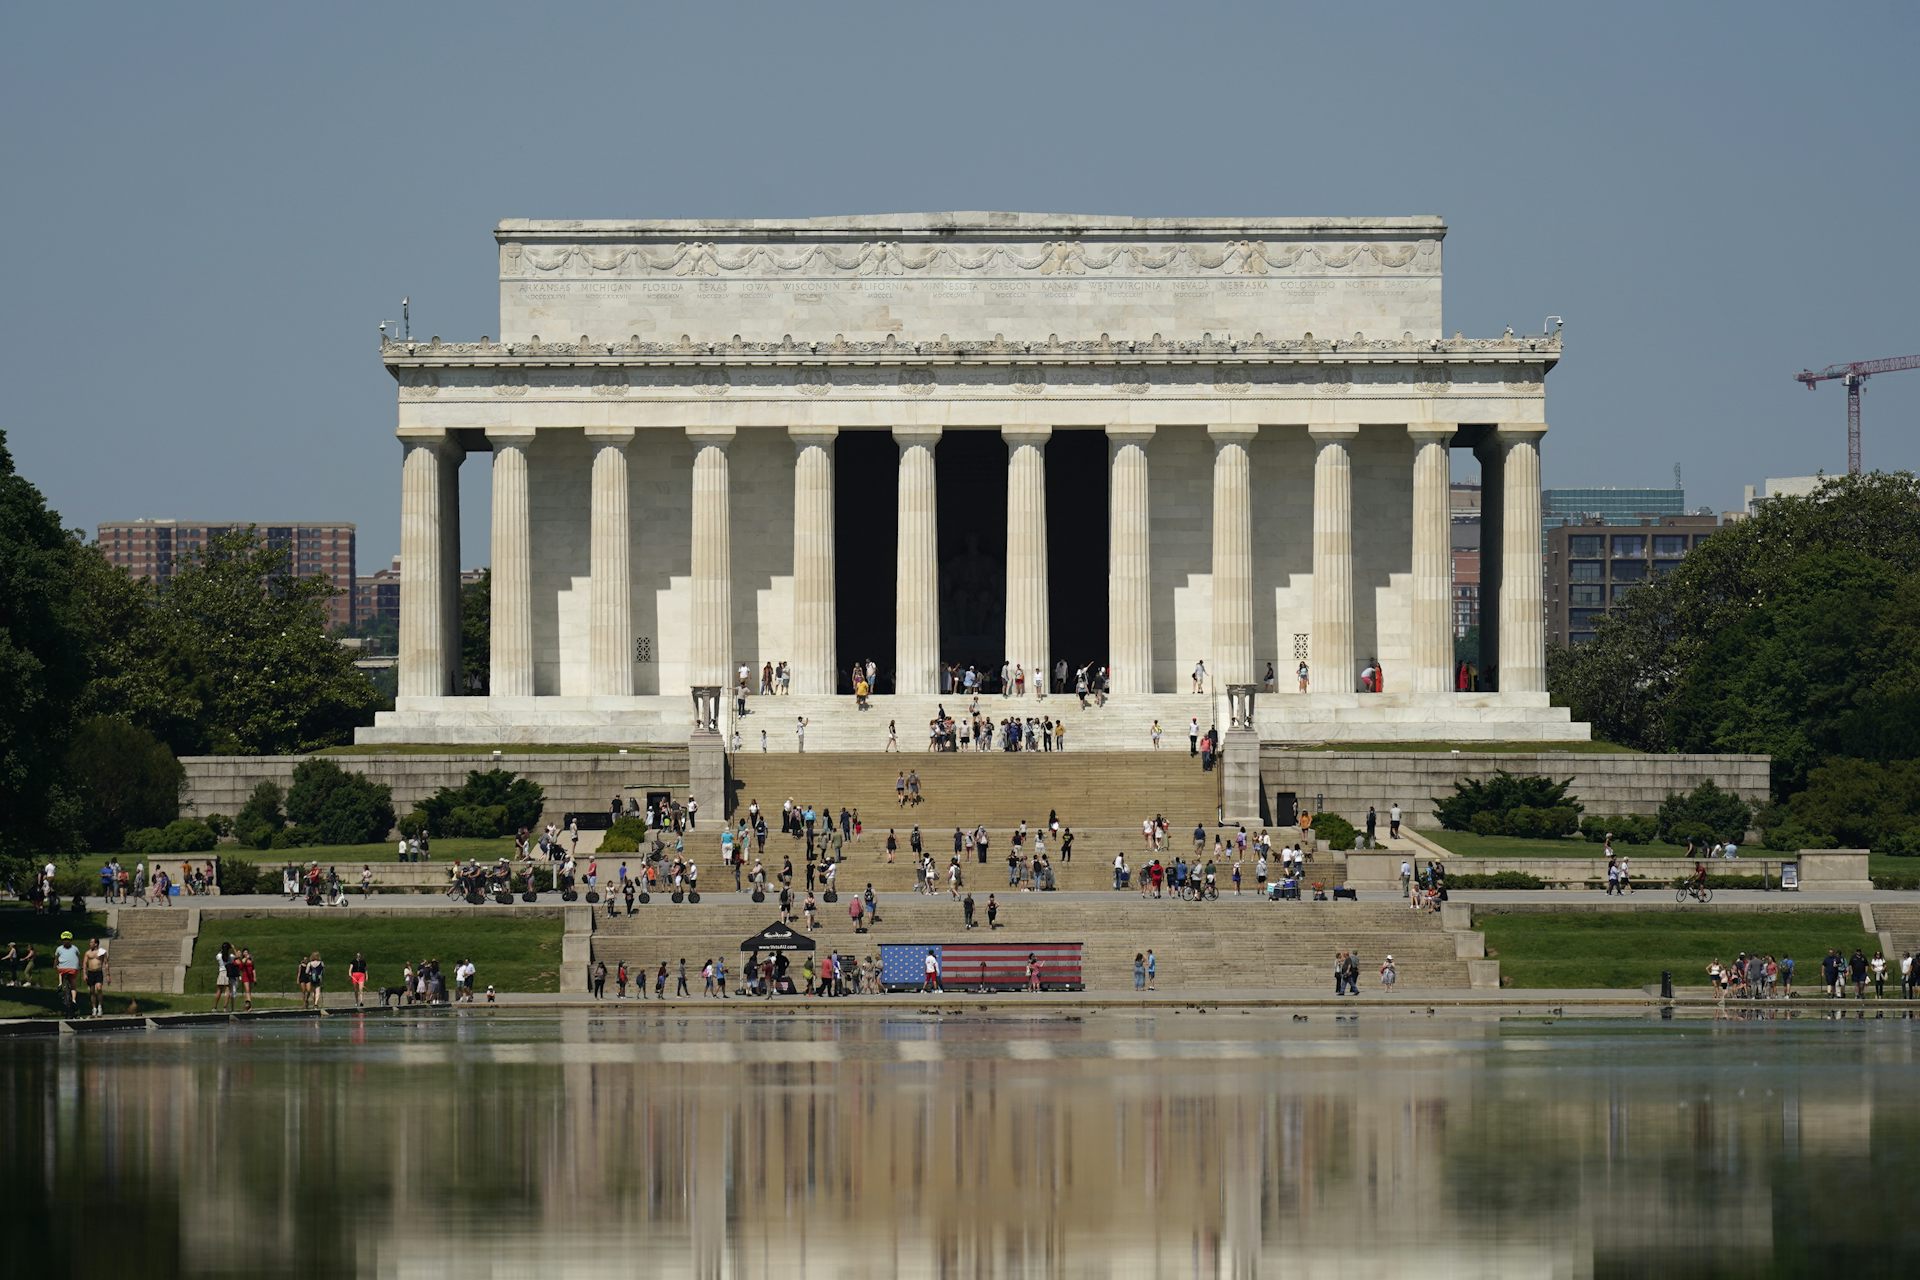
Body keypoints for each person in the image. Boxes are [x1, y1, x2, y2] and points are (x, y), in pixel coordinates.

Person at [53, 932, 81, 1015]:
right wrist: (79, 966)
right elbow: (78, 958)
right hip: (73, 969)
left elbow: (56, 959)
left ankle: (60, 983)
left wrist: (55, 965)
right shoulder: (75, 948)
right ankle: (73, 1000)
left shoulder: (59, 949)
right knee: (73, 985)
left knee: (60, 971)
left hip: (63, 969)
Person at [83, 938, 109, 1017]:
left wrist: (108, 975)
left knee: (99, 988)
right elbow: (84, 963)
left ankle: (100, 1006)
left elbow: (106, 963)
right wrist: (84, 974)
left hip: (98, 972)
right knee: (92, 991)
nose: (90, 944)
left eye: (91, 942)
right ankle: (94, 1008)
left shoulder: (102, 952)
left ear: (96, 944)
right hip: (91, 972)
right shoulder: (87, 953)